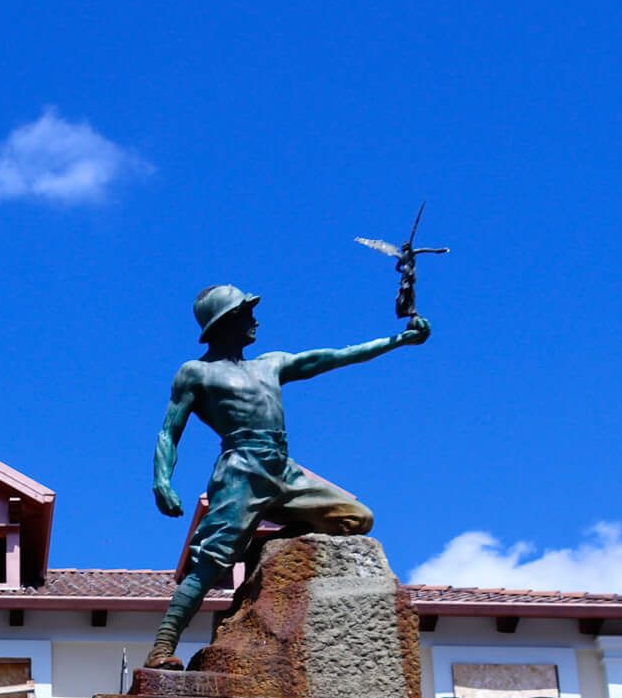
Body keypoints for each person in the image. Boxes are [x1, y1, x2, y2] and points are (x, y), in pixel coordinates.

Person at [147, 285, 429, 668]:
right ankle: (163, 647)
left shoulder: (271, 363)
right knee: (211, 561)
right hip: (240, 471)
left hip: (283, 468)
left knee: (356, 518)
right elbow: (169, 430)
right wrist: (162, 480)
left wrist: (398, 341)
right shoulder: (196, 372)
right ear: (227, 320)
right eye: (247, 314)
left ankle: (264, 550)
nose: (255, 321)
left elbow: (334, 357)